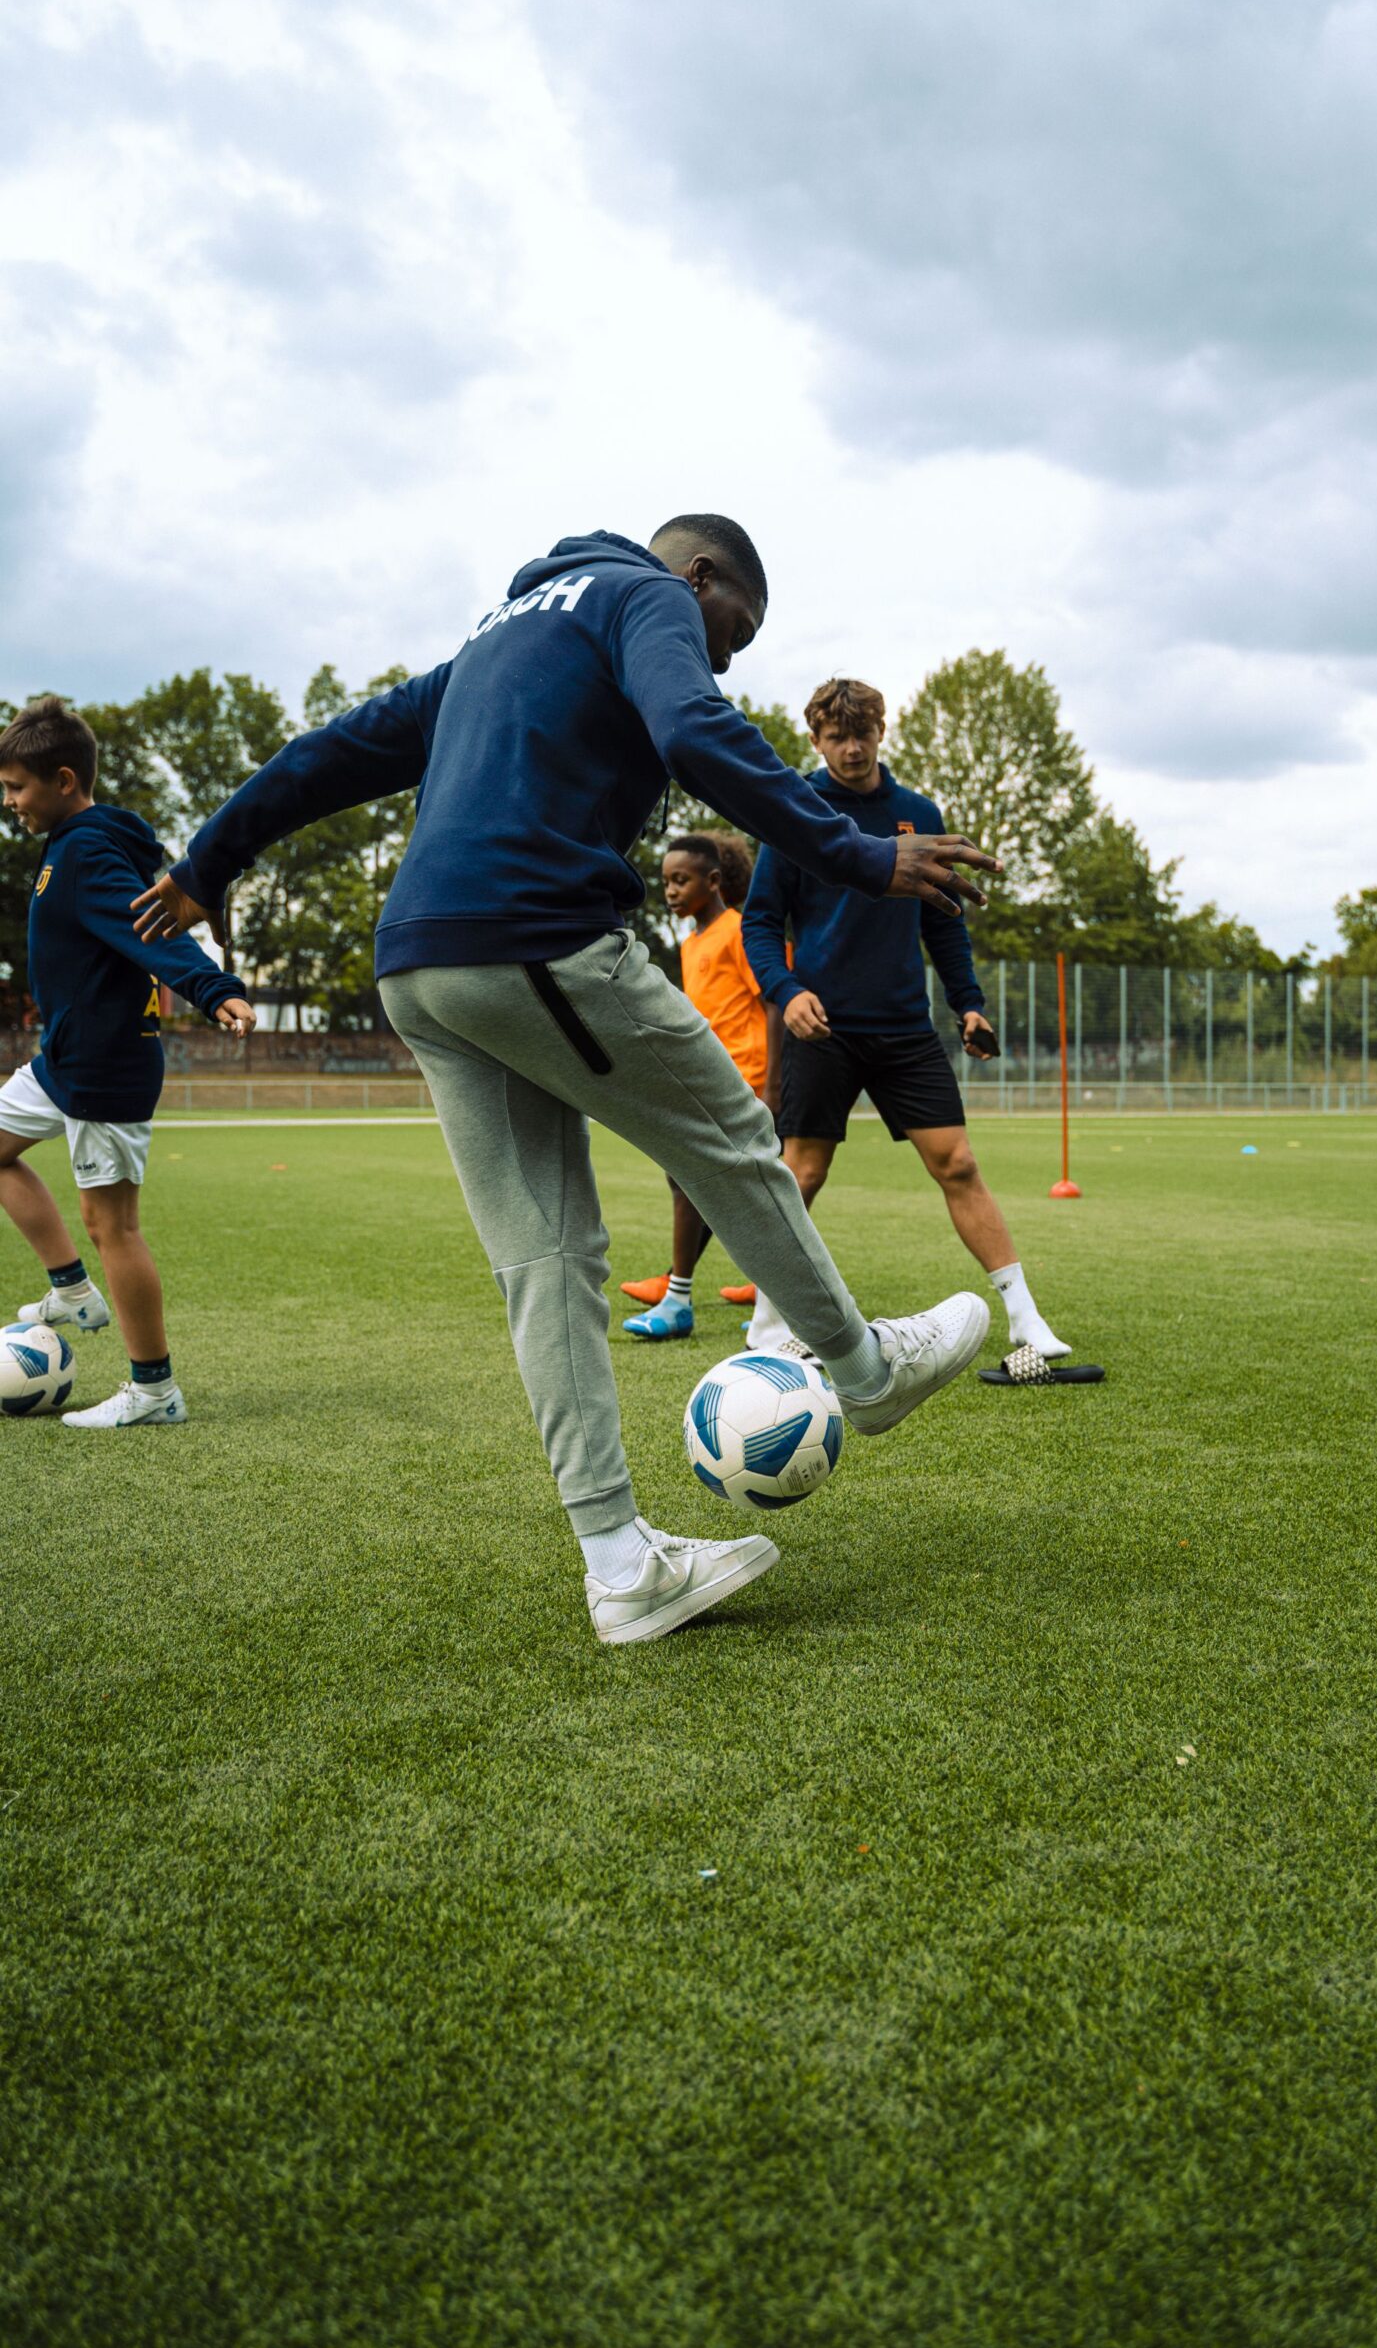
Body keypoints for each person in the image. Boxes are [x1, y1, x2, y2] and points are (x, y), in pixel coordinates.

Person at [132, 519, 1001, 1644]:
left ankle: (621, 1567)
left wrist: (207, 863)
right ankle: (866, 1372)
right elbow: (693, 725)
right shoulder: (644, 598)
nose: (724, 656)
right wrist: (862, 853)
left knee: (544, 1259)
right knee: (734, 1140)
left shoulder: (496, 636)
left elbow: (332, 751)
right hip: (533, 939)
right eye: (735, 631)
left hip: (421, 969)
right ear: (700, 577)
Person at [741, 676, 1071, 1361]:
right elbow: (761, 923)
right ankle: (769, 1324)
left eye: (862, 734)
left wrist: (969, 1003)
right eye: (837, 737)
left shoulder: (917, 814)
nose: (852, 749)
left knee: (958, 1163)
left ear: (881, 732)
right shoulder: (794, 811)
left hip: (903, 1028)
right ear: (816, 739)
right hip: (821, 1026)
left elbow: (944, 923)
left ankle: (1025, 1318)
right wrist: (786, 990)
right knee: (802, 1175)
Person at [0, 699, 255, 1428]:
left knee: (112, 1224)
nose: (10, 802)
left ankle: (153, 1391)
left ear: (64, 780)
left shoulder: (86, 850)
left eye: (17, 787)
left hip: (104, 1065)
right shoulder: (69, 844)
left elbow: (153, 929)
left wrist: (215, 989)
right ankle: (71, 1289)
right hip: (64, 1057)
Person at [620, 830, 779, 1338]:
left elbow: (773, 1002)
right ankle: (769, 1293)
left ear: (713, 881)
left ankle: (679, 1298)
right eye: (665, 881)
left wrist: (775, 1085)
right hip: (708, 1079)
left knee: (700, 1179)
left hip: (748, 1080)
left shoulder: (741, 931)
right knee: (714, 1184)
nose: (670, 891)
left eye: (681, 880)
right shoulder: (691, 944)